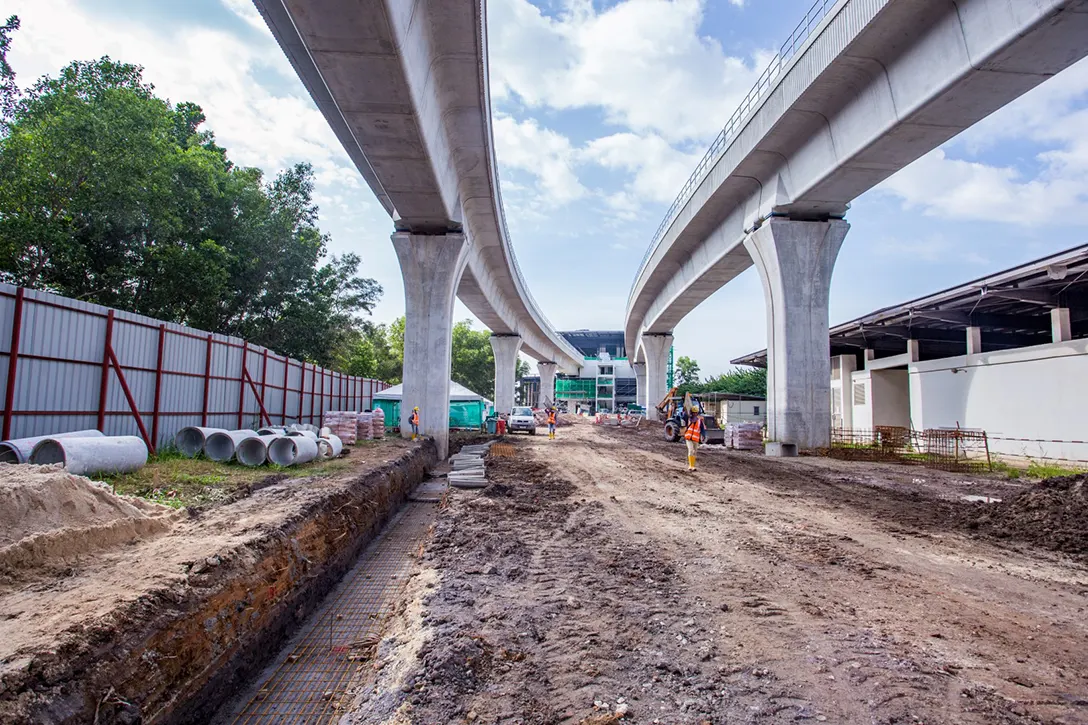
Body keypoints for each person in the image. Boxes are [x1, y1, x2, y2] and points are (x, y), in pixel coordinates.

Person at [684, 403, 705, 472]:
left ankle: (693, 466)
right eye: (694, 413)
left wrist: (703, 435)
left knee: (694, 452)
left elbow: (702, 429)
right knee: (690, 450)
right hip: (688, 438)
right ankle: (690, 466)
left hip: (695, 439)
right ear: (692, 413)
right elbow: (684, 416)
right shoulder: (689, 419)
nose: (695, 414)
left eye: (696, 413)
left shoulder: (699, 421)